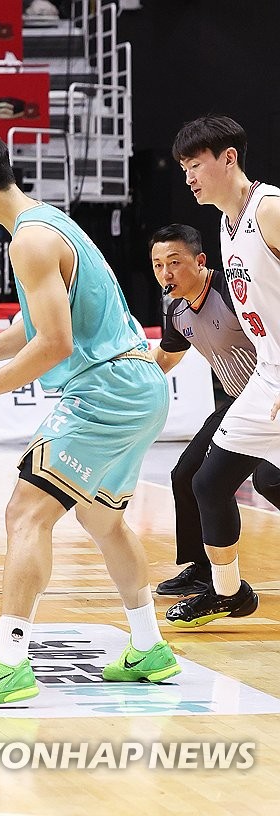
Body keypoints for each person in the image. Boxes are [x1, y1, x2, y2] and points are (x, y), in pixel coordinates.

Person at [0, 127, 178, 710]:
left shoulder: (29, 241)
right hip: (137, 383)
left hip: (106, 388)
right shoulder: (45, 222)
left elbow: (55, 344)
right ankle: (149, 646)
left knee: (25, 510)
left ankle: (11, 660)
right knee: (103, 521)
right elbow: (39, 322)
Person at [165, 115, 280, 628]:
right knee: (208, 483)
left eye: (195, 164)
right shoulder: (225, 225)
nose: (188, 176)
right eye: (184, 167)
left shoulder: (269, 209)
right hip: (267, 378)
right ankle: (229, 592)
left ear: (227, 158)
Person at [148, 223, 280, 597]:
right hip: (237, 405)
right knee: (186, 474)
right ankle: (205, 570)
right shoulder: (175, 310)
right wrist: (130, 372)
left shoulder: (235, 292)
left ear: (201, 260)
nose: (165, 273)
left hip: (271, 399)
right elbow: (167, 356)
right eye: (158, 265)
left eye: (174, 262)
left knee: (269, 481)